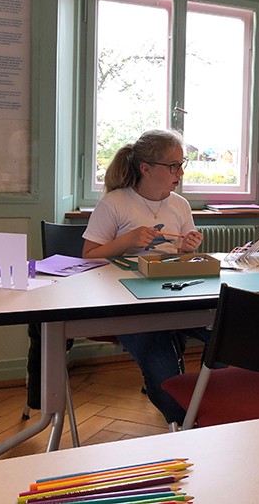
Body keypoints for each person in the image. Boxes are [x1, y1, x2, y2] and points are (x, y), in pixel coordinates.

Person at [82, 129, 206, 426]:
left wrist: (187, 250)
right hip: (129, 302)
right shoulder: (115, 202)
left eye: (182, 164)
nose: (180, 172)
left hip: (174, 294)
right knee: (164, 375)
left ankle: (206, 409)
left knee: (229, 337)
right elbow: (87, 256)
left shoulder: (180, 204)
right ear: (146, 169)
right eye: (173, 166)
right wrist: (127, 240)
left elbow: (182, 258)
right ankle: (186, 422)